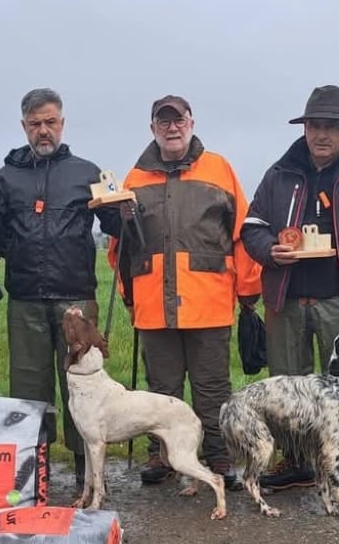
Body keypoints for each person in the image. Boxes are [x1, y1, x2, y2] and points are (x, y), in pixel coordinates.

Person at [240, 85, 339, 510]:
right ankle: (296, 462)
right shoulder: (279, 174)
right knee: (289, 388)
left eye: (331, 126)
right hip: (287, 300)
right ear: (304, 127)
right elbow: (251, 227)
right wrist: (269, 249)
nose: (322, 134)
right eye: (315, 125)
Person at [0, 88, 120, 485]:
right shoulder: (8, 176)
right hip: (25, 300)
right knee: (28, 392)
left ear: (62, 123)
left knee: (83, 388)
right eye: (35, 124)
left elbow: (114, 225)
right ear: (24, 126)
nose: (43, 131)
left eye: (50, 122)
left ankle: (87, 477)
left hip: (76, 298)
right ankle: (31, 478)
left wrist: (125, 212)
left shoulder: (86, 171)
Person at [111, 95, 262, 490]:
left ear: (191, 122)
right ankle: (163, 456)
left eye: (178, 121)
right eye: (163, 123)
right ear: (152, 129)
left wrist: (248, 292)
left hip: (208, 302)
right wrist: (130, 295)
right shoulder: (134, 178)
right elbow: (120, 248)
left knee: (212, 387)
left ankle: (219, 455)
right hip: (153, 304)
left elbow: (241, 234)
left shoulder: (220, 169)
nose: (172, 128)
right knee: (160, 390)